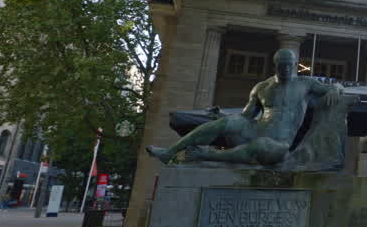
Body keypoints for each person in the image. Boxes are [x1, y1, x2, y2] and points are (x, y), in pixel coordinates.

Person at [146, 48, 345, 165]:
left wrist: (336, 87)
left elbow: (331, 87)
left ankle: (207, 154)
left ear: (294, 65)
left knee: (260, 145)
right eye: (281, 65)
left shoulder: (305, 83)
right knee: (228, 122)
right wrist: (222, 118)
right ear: (275, 65)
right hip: (256, 130)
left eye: (289, 65)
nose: (285, 69)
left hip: (279, 145)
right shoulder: (262, 87)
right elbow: (246, 116)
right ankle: (169, 152)